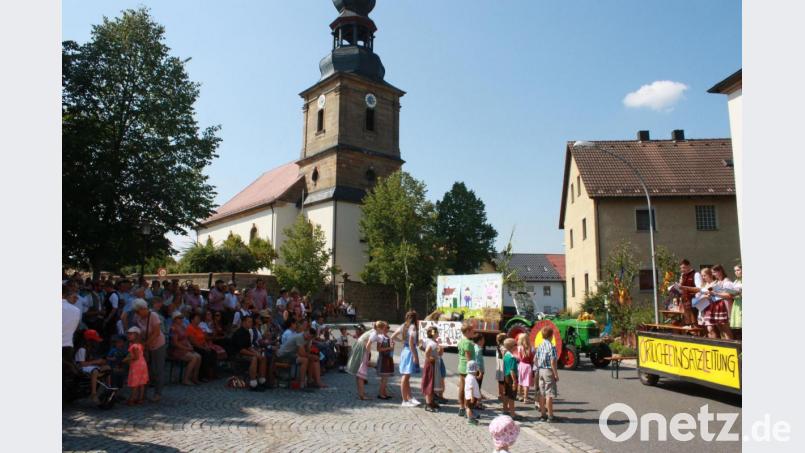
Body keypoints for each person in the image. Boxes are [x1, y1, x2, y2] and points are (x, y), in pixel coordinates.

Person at [132, 299, 166, 402]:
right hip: (145, 346)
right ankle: (143, 394)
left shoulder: (153, 316)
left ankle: (158, 393)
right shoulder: (137, 316)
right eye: (136, 312)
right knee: (145, 370)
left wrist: (145, 344)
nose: (137, 313)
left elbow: (156, 333)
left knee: (157, 370)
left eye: (138, 311)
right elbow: (137, 330)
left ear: (143, 309)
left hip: (158, 345)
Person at [231, 316, 269, 391]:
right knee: (254, 358)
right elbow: (241, 350)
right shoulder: (239, 333)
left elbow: (249, 347)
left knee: (262, 357)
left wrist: (257, 353)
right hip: (237, 355)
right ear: (243, 322)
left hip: (244, 353)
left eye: (251, 321)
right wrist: (254, 354)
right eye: (249, 322)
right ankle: (253, 384)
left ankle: (262, 381)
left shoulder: (247, 332)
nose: (251, 323)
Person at [391, 310, 420, 407]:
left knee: (407, 377)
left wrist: (402, 341)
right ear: (415, 318)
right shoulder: (413, 327)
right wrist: (415, 356)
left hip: (405, 351)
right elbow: (412, 343)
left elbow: (392, 336)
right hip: (410, 352)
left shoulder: (403, 325)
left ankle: (410, 397)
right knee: (405, 377)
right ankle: (404, 400)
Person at [74, 329, 110, 404]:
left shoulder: (90, 348)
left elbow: (90, 361)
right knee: (95, 371)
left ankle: (108, 388)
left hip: (88, 366)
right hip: (80, 368)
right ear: (90, 340)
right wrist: (97, 362)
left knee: (107, 367)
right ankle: (93, 394)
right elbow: (82, 364)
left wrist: (100, 362)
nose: (96, 342)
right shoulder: (82, 349)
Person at [275, 320, 312, 390]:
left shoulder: (297, 335)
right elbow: (301, 352)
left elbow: (303, 351)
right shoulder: (293, 335)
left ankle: (309, 380)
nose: (298, 327)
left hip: (289, 354)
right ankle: (302, 384)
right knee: (305, 360)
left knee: (310, 358)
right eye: (296, 325)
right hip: (283, 356)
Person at [169, 312, 202, 385]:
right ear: (175, 319)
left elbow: (186, 339)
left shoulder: (183, 327)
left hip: (185, 348)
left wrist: (189, 346)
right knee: (194, 358)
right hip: (178, 350)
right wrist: (186, 348)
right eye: (179, 318)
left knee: (199, 356)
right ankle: (185, 379)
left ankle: (194, 377)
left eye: (182, 318)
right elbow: (175, 343)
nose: (181, 319)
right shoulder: (173, 328)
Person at [346, 323, 377, 400]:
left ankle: (361, 393)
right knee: (361, 374)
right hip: (363, 353)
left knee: (360, 373)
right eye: (356, 329)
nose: (356, 331)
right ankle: (362, 395)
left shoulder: (364, 336)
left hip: (362, 352)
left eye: (357, 330)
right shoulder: (368, 336)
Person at [535, 325, 559, 422]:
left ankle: (543, 414)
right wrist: (556, 374)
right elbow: (553, 362)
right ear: (551, 335)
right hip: (548, 370)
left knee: (542, 392)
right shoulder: (551, 347)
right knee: (549, 394)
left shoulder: (540, 346)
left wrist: (539, 367)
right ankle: (550, 415)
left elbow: (535, 359)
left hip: (540, 370)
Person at [187, 312, 218, 380]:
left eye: (199, 318)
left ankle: (212, 374)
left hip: (202, 346)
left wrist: (206, 346)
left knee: (213, 352)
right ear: (192, 320)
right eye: (197, 318)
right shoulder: (190, 328)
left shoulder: (199, 328)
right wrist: (203, 348)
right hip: (195, 347)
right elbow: (193, 342)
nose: (198, 320)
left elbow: (203, 339)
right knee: (205, 354)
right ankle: (201, 375)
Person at [420, 326, 443, 412]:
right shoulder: (432, 343)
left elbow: (422, 347)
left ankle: (431, 401)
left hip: (432, 364)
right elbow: (427, 351)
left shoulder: (430, 341)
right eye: (436, 332)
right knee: (430, 383)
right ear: (433, 333)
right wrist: (429, 358)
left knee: (432, 383)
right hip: (431, 365)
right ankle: (428, 404)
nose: (438, 334)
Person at [125, 326, 149, 405]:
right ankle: (140, 399)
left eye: (131, 334)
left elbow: (135, 357)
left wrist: (127, 359)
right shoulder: (140, 344)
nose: (129, 335)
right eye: (128, 334)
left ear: (136, 335)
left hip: (136, 365)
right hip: (143, 364)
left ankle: (132, 399)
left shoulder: (133, 346)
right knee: (141, 382)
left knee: (134, 383)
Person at [456, 322, 476, 417]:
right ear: (467, 331)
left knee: (462, 387)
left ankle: (461, 408)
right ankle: (468, 409)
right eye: (472, 331)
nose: (473, 332)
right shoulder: (468, 343)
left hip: (461, 366)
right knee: (467, 389)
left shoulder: (461, 341)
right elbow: (468, 357)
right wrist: (472, 370)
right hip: (467, 368)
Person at [677, 259, 703, 325]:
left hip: (694, 301)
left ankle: (697, 334)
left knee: (695, 322)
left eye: (684, 267)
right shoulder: (683, 276)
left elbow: (699, 289)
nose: (682, 270)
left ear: (689, 266)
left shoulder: (696, 274)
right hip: (685, 301)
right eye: (681, 268)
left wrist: (684, 287)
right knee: (687, 322)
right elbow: (681, 290)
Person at [374, 321, 394, 400]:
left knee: (385, 378)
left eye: (388, 327)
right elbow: (378, 349)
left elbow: (391, 348)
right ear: (382, 328)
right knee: (384, 378)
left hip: (388, 358)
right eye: (386, 327)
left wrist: (392, 346)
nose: (387, 329)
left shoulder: (387, 337)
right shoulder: (381, 337)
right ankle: (381, 394)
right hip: (383, 359)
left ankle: (384, 393)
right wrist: (389, 348)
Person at [63, 285, 82, 362]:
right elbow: (77, 327)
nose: (77, 299)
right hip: (68, 345)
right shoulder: (76, 310)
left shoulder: (76, 310)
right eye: (74, 297)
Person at [502, 338, 520, 419]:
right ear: (512, 347)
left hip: (506, 376)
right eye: (515, 345)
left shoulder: (506, 355)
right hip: (511, 377)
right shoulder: (512, 358)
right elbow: (512, 370)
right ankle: (512, 414)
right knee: (511, 396)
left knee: (506, 394)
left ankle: (505, 410)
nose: (517, 346)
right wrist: (514, 381)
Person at [515, 332, 534, 403]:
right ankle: (526, 398)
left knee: (520, 381)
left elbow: (518, 358)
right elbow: (532, 359)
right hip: (528, 366)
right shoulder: (531, 348)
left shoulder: (519, 348)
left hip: (521, 365)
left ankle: (520, 396)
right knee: (526, 383)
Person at [465, 360, 482, 425]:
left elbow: (476, 378)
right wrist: (472, 397)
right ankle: (470, 419)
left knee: (470, 407)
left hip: (472, 396)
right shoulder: (471, 378)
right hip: (471, 396)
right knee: (468, 407)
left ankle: (472, 416)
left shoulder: (470, 376)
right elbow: (471, 388)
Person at [473, 333, 487, 410]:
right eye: (483, 339)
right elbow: (479, 362)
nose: (484, 341)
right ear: (480, 341)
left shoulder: (474, 347)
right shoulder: (478, 349)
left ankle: (476, 402)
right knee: (478, 386)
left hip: (474, 369)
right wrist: (481, 372)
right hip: (478, 370)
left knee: (476, 386)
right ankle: (477, 403)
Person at [494, 332, 507, 402]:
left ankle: (500, 394)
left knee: (500, 381)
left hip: (499, 366)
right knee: (503, 381)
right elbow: (505, 357)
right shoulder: (503, 348)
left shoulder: (498, 346)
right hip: (503, 365)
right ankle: (503, 393)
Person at [730, 265, 743, 329]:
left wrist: (739, 294)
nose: (736, 272)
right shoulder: (736, 281)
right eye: (735, 271)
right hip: (736, 303)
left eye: (738, 270)